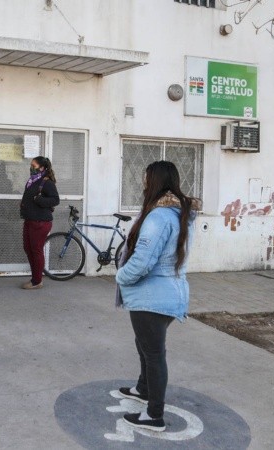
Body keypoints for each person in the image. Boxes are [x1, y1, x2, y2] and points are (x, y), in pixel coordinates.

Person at [115, 160, 200, 432]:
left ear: (154, 182)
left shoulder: (159, 217)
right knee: (145, 345)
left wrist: (120, 276)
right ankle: (143, 389)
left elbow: (143, 261)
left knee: (154, 354)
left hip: (152, 297)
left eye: (145, 179)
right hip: (169, 293)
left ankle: (154, 415)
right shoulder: (178, 213)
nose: (142, 184)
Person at [20, 156, 60, 289]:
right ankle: (35, 277)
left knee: (36, 250)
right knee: (28, 248)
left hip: (40, 222)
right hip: (30, 219)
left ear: (42, 168)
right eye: (31, 165)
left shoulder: (47, 182)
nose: (31, 168)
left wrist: (39, 200)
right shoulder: (33, 180)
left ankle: (37, 281)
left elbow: (55, 200)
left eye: (34, 166)